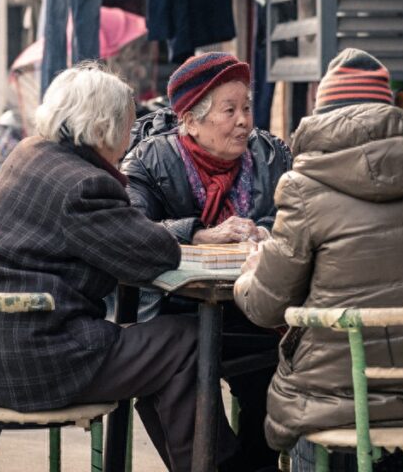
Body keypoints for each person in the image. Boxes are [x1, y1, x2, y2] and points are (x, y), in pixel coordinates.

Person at [0, 62, 236, 471]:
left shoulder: (28, 153)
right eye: (128, 128)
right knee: (186, 341)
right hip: (33, 363)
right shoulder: (83, 183)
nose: (130, 139)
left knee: (159, 352)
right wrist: (194, 233)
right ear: (102, 128)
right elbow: (148, 253)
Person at [234, 48, 403, 471]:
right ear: (390, 110)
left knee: (298, 407)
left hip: (337, 400)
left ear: (323, 114)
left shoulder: (302, 187)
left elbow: (267, 306)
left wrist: (249, 274)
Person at [121, 51, 292, 471]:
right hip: (175, 310)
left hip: (253, 309)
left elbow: (297, 220)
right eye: (229, 110)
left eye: (247, 108)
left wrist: (268, 231)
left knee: (283, 367)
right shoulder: (149, 160)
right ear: (192, 122)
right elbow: (128, 230)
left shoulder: (270, 156)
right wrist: (196, 231)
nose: (243, 121)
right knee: (174, 378)